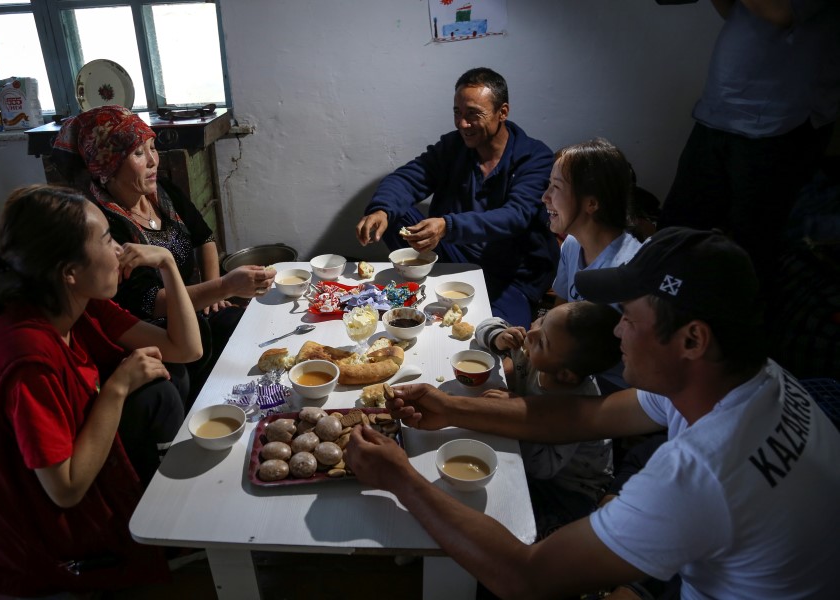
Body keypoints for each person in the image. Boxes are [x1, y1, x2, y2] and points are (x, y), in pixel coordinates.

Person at [344, 227, 840, 598]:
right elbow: (587, 418)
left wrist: (402, 478)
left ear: (692, 339)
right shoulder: (743, 375)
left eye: (629, 319)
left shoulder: (702, 471)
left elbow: (527, 574)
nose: (618, 333)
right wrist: (449, 407)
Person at [0, 185, 203, 595]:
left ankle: (166, 517)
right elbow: (64, 490)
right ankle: (159, 530)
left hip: (53, 492)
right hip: (29, 547)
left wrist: (168, 262)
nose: (120, 249)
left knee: (166, 378)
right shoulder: (27, 358)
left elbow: (185, 349)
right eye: (105, 239)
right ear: (69, 270)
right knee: (151, 389)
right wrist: (116, 387)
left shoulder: (74, 301)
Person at [52, 105, 276, 400]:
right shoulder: (105, 226)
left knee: (242, 328)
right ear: (107, 168)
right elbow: (149, 302)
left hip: (194, 302)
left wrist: (216, 297)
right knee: (185, 372)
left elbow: (204, 237)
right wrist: (223, 286)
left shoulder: (162, 193)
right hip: (151, 326)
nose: (153, 161)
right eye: (138, 154)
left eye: (153, 148)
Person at [355, 67, 559, 329]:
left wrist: (447, 226)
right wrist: (381, 210)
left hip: (509, 276)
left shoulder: (535, 157)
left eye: (473, 114)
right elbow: (409, 177)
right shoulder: (453, 147)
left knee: (499, 338)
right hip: (454, 256)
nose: (463, 123)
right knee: (396, 213)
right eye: (457, 113)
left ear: (502, 112)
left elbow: (515, 216)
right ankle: (425, 281)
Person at [658, 0, 840, 287]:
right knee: (676, 233)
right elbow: (732, 10)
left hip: (781, 125)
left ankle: (732, 327)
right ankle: (665, 320)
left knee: (750, 253)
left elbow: (781, 11)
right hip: (720, 111)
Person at [476, 301, 622, 538]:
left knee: (519, 528)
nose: (531, 334)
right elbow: (486, 325)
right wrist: (499, 336)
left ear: (565, 374)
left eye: (543, 340)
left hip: (570, 489)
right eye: (542, 320)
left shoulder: (574, 409)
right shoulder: (534, 351)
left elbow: (543, 467)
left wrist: (516, 411)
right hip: (532, 460)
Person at [543, 138, 644, 392]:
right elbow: (562, 305)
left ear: (592, 203)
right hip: (574, 368)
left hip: (615, 386)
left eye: (556, 187)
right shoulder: (571, 245)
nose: (545, 197)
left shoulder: (631, 271)